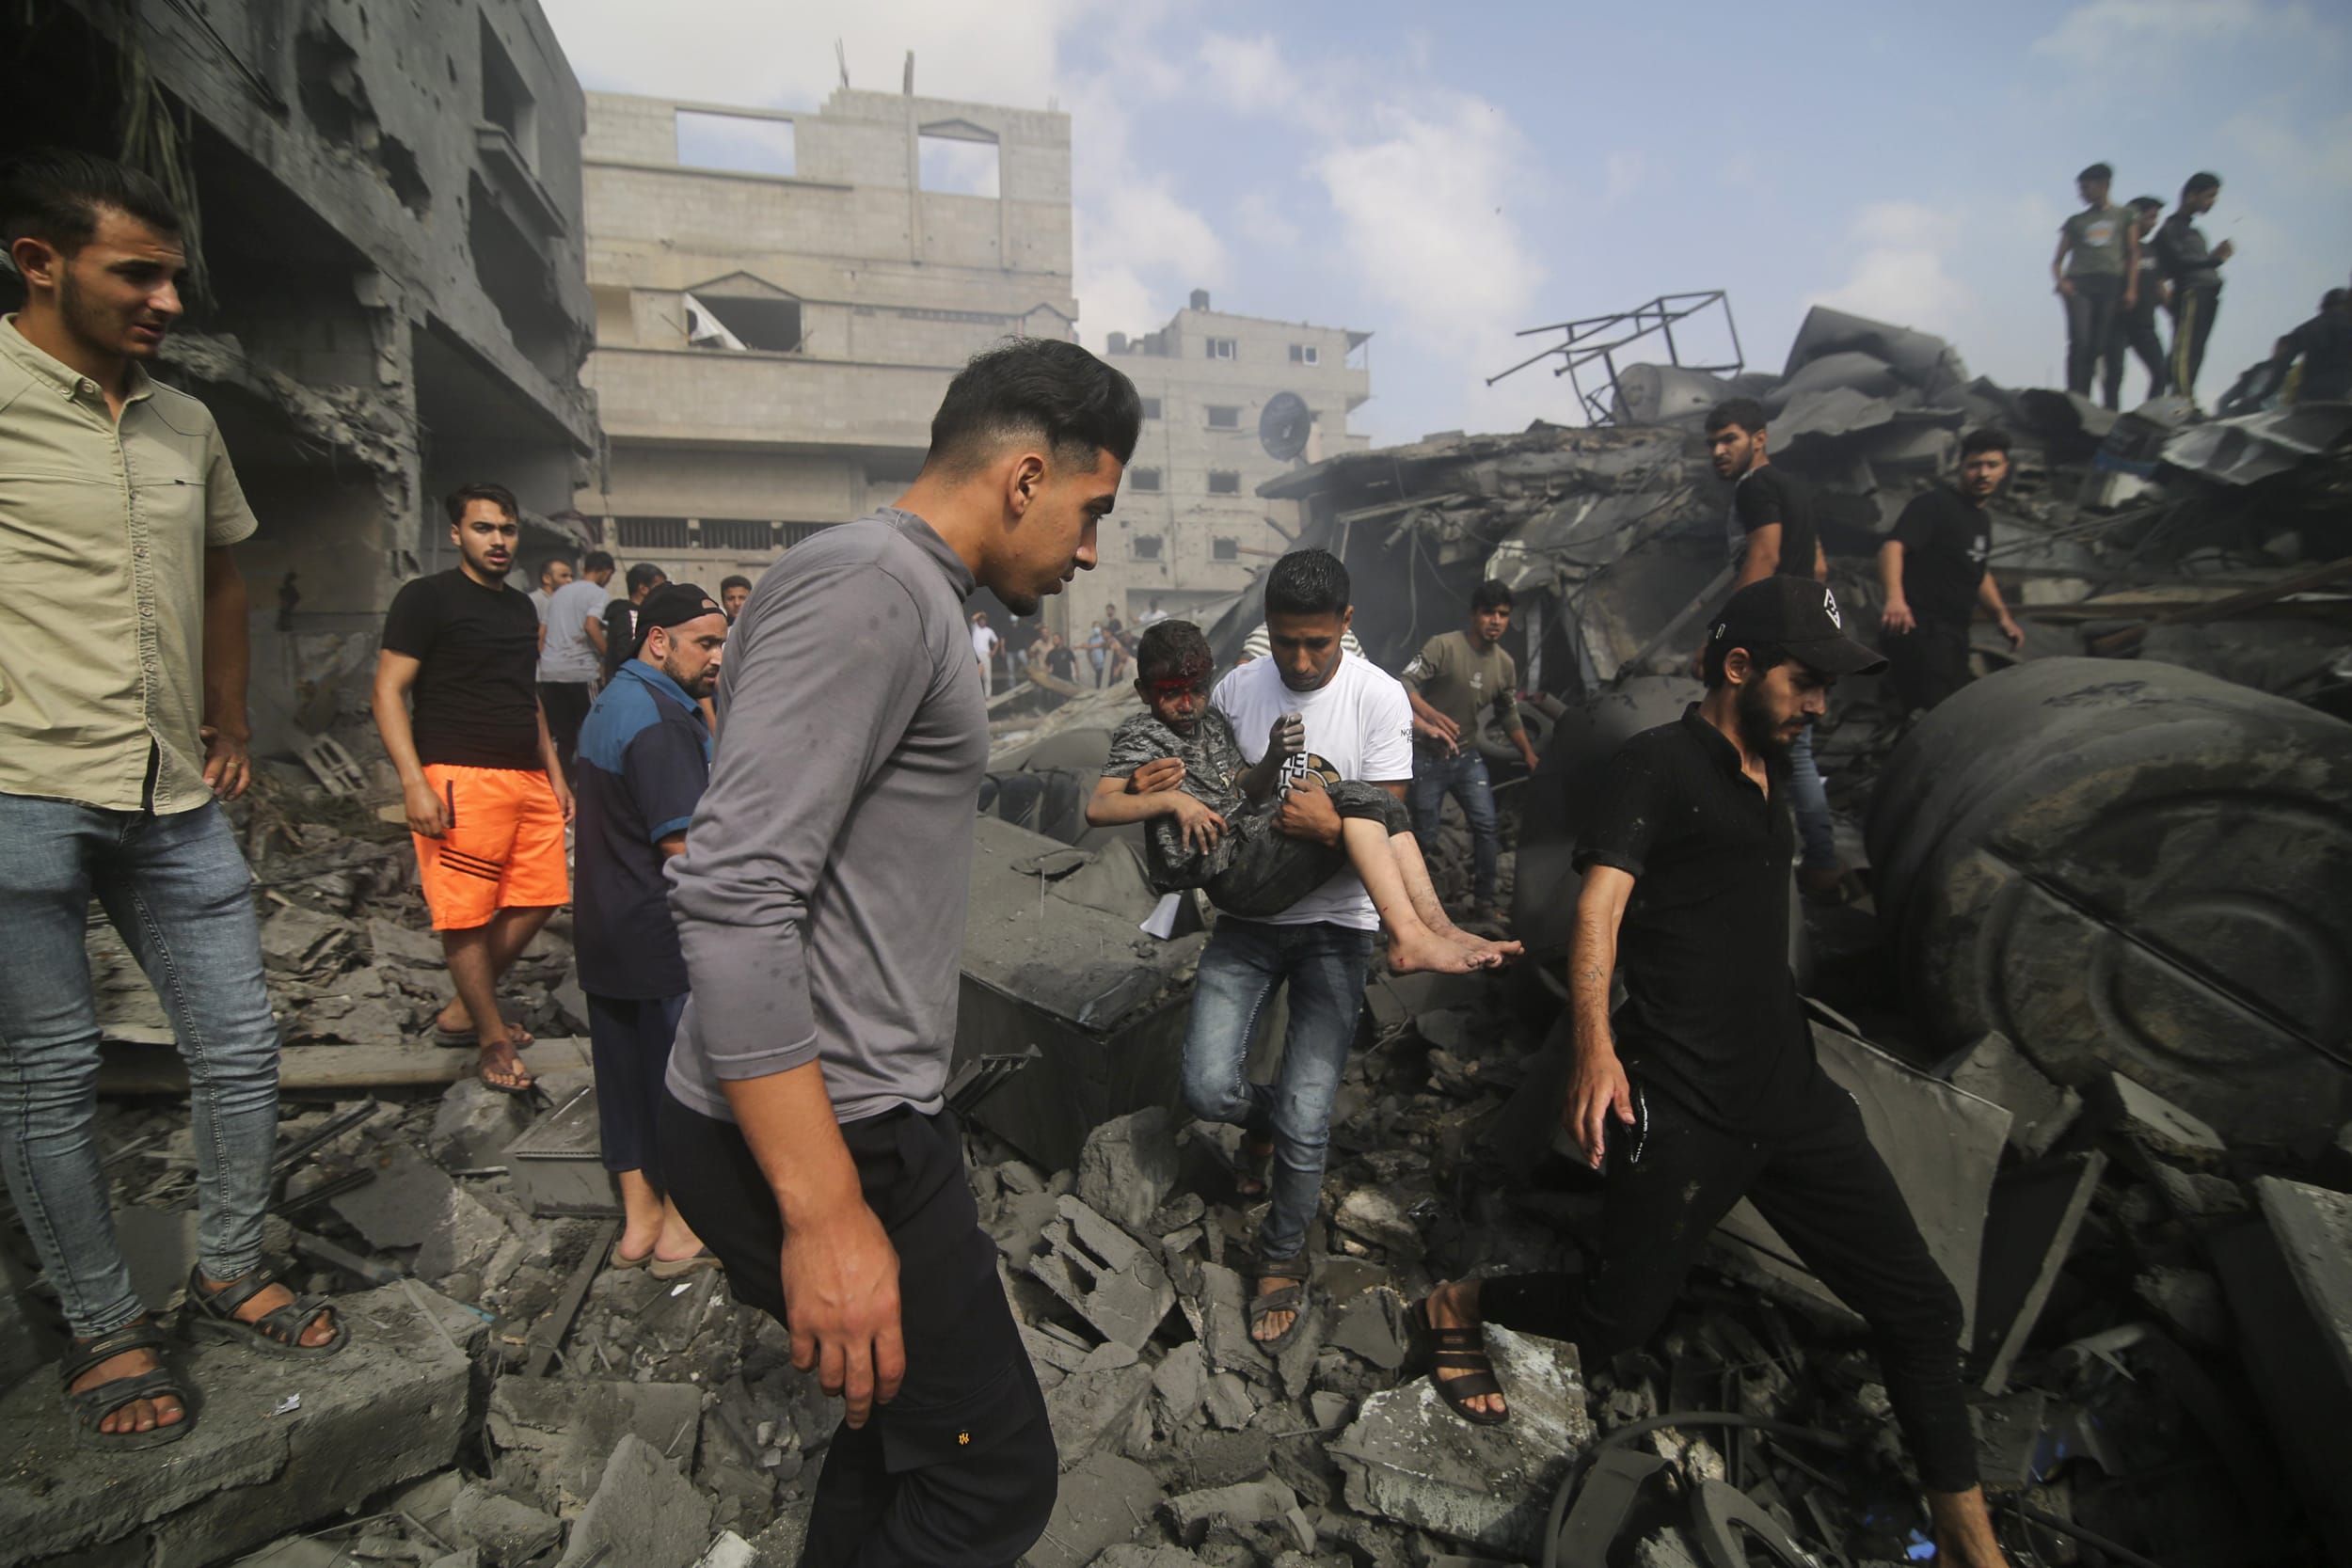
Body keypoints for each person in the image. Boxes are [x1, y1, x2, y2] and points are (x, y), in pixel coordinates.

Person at [1410, 578, 2010, 1568]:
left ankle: (1966, 1536)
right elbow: (1597, 910)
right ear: (1738, 667)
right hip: (1682, 1102)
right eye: (1805, 681)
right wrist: (1596, 1050)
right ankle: (1458, 1302)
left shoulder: (1769, 764)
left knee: (1920, 1306)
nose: (1819, 702)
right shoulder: (1657, 768)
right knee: (1615, 1326)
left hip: (1792, 1094)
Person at [659, 338, 1142, 1564]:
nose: (1091, 551)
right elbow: (730, 888)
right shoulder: (874, 586)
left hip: (860, 1109)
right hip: (832, 1127)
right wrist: (824, 1211)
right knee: (992, 1480)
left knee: (901, 1433)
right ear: (1026, 476)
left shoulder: (895, 589)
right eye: (1095, 511)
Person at [0, 148, 345, 1451]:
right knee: (46, 1075)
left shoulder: (184, 423)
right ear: (40, 262)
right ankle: (103, 1325)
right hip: (19, 785)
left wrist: (229, 718)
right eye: (133, 272)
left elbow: (220, 578)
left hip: (172, 790)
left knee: (243, 1042)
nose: (166, 300)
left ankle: (227, 1258)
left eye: (174, 275)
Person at [1179, 550, 1473, 1352]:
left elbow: (1393, 815)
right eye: (1284, 642)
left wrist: (1330, 826)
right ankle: (1264, 1121)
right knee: (1206, 1085)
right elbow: (1216, 795)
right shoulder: (1239, 691)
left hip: (1337, 929)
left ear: (1345, 627)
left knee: (1313, 1115)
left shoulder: (1378, 697)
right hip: (1247, 920)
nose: (1301, 662)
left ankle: (1280, 1257)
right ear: (1265, 631)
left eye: (1316, 642)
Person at [1087, 621, 1509, 973]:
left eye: (1196, 689)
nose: (1186, 704)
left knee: (1377, 801)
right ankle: (1408, 934)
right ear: (1144, 691)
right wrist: (1173, 801)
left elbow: (1244, 789)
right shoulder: (1140, 734)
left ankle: (1437, 928)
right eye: (1170, 692)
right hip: (1226, 870)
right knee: (1356, 800)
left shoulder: (1210, 722)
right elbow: (1099, 806)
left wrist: (1274, 755)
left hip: (1250, 847)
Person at [372, 483, 573, 1095]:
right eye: (484, 528)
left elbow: (526, 694)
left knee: (543, 894)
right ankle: (491, 1036)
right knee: (465, 915)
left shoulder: (519, 608)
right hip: (458, 775)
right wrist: (413, 781)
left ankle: (463, 1010)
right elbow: (386, 691)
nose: (498, 540)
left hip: (527, 774)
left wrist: (557, 773)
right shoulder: (426, 598)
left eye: (507, 530)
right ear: (457, 533)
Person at [573, 583, 728, 1278]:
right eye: (706, 642)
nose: (717, 657)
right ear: (658, 640)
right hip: (658, 931)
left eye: (721, 642)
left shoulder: (610, 702)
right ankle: (685, 1223)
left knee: (624, 1081)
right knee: (686, 1082)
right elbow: (682, 846)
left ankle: (639, 1221)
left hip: (604, 927)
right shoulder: (662, 720)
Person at [1702, 400, 1841, 900]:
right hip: (1804, 632)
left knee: (1747, 747)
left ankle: (1766, 864)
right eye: (1713, 443)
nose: (1719, 451)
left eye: (1730, 439)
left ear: (1759, 438)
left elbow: (1765, 554)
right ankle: (1821, 863)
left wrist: (1721, 636)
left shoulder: (1756, 487)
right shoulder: (1795, 488)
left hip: (1768, 641)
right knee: (1797, 754)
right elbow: (1819, 566)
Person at [1402, 580, 1541, 922]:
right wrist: (1430, 714)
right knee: (1425, 834)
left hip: (1466, 757)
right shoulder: (1443, 646)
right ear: (1473, 615)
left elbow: (1508, 712)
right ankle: (1408, 908)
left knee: (1486, 826)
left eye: (1503, 614)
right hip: (1426, 755)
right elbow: (1403, 683)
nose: (1496, 620)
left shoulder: (1505, 664)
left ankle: (1483, 903)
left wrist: (1529, 755)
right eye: (1488, 613)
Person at [1878, 431, 2026, 716]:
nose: (1983, 473)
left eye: (1992, 465)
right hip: (1920, 629)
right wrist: (1895, 599)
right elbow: (1892, 548)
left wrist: (2002, 618)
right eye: (1975, 465)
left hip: (1954, 633)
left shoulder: (1980, 519)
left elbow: (1977, 570)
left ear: (2005, 469)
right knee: (1931, 714)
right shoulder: (1934, 505)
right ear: (1960, 467)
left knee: (1950, 712)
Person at [2053, 162, 2137, 401]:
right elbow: (2057, 260)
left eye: (2087, 188)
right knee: (2080, 341)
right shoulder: (2076, 221)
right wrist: (2061, 282)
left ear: (2104, 185)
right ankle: (2076, 397)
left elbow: (2132, 254)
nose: (2083, 194)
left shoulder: (2124, 215)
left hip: (2111, 283)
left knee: (2099, 346)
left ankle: (2091, 402)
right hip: (2080, 283)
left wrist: (2131, 289)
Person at [2153, 172, 2232, 404]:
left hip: (2208, 293)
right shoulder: (2170, 229)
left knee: (2197, 348)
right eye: (2209, 196)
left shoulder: (2195, 232)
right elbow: (2177, 264)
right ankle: (2182, 397)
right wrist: (2214, 260)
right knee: (2185, 349)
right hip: (2191, 293)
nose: (2212, 202)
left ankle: (2186, 395)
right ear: (2191, 196)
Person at [539, 549, 612, 781]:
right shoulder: (598, 593)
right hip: (581, 671)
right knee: (595, 728)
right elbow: (592, 626)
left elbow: (542, 634)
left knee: (563, 736)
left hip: (550, 673)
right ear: (605, 572)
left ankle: (562, 783)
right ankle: (593, 782)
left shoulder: (558, 595)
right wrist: (609, 658)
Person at [2104, 197, 2170, 410]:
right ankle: (2109, 419)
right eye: (2150, 218)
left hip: (2144, 324)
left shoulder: (2151, 250)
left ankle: (2150, 416)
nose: (2154, 224)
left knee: (2161, 372)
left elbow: (2160, 286)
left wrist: (2175, 310)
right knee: (2114, 376)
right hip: (2117, 322)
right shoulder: (2114, 249)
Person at [2252, 289, 2352, 405]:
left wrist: (2260, 396)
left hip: (2311, 398)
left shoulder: (2305, 329)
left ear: (2323, 307)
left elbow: (2281, 369)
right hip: (2345, 396)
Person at [596, 562, 667, 685]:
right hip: (630, 686)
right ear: (643, 589)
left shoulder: (637, 615)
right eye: (660, 587)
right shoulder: (632, 617)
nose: (664, 594)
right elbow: (628, 655)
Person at [529, 555, 574, 638]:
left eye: (571, 576)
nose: (570, 580)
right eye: (564, 576)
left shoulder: (566, 602)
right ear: (546, 578)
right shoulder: (533, 601)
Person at [971, 610, 1002, 695]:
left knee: (987, 675)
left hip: (985, 654)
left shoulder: (989, 631)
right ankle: (974, 695)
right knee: (975, 675)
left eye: (983, 620)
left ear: (986, 621)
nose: (982, 621)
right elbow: (973, 618)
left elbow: (996, 642)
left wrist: (993, 652)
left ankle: (988, 695)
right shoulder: (975, 627)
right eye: (980, 620)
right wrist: (981, 613)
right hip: (975, 654)